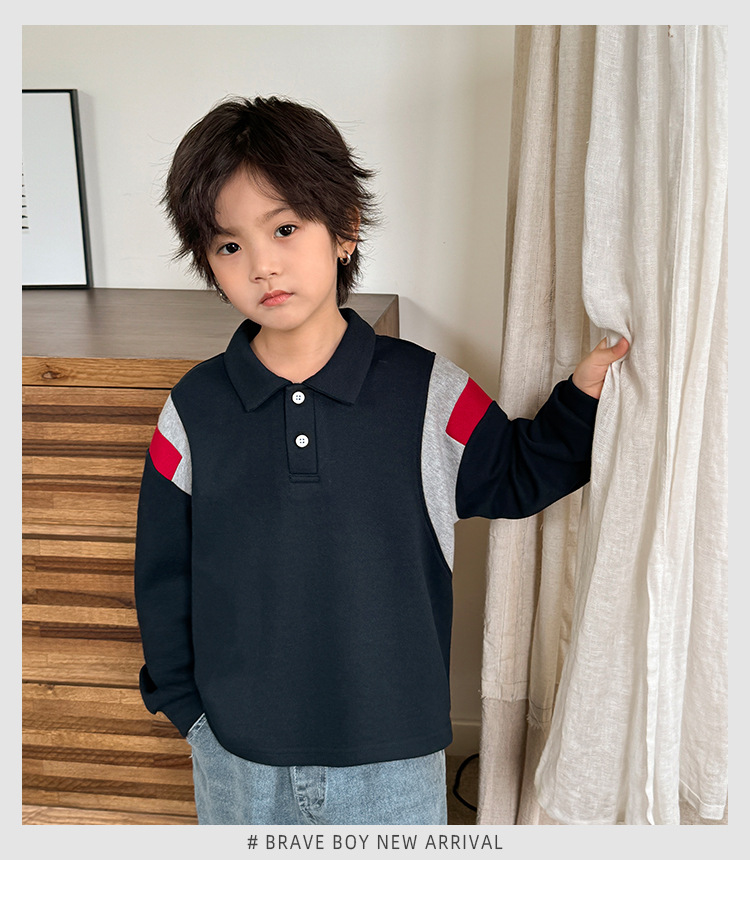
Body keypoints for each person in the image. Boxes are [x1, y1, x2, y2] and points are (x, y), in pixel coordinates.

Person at [134, 95, 629, 826]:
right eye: (229, 246)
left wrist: (583, 398)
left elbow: (518, 474)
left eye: (285, 228)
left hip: (395, 760)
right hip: (236, 756)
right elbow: (162, 576)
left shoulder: (426, 389)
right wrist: (190, 714)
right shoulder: (193, 410)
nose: (262, 265)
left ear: (345, 228)